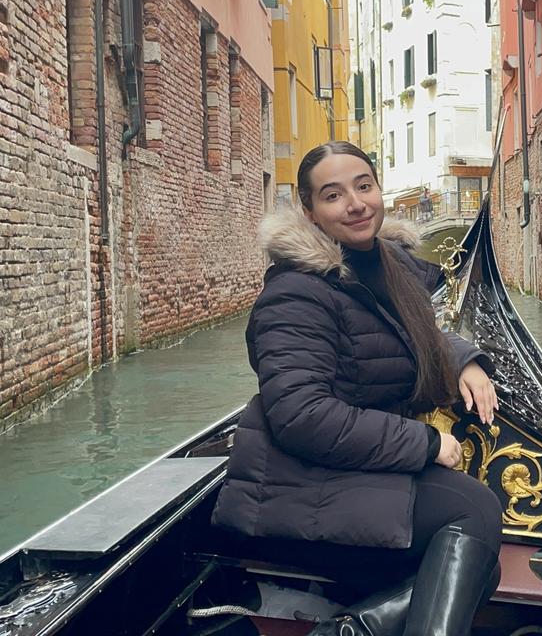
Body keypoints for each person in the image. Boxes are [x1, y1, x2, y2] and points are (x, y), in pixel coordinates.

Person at [211, 141, 503, 636]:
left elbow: (410, 334)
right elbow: (302, 416)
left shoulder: (387, 265)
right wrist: (428, 443)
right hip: (300, 484)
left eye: (363, 186)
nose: (355, 203)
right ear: (309, 212)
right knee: (475, 512)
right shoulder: (296, 293)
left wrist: (463, 360)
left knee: (478, 566)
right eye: (333, 195)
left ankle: (350, 629)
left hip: (355, 468)